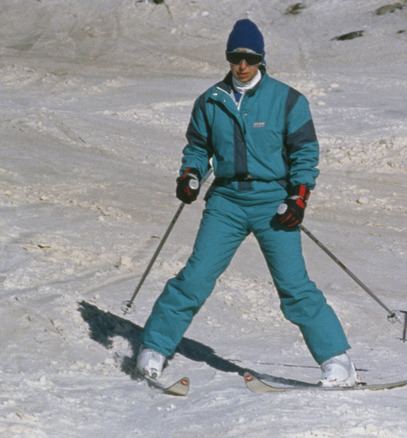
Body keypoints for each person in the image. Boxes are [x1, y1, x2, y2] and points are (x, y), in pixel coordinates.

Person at [135, 19, 358, 387]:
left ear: (261, 59)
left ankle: (338, 360)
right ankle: (154, 348)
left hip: (274, 203)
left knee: (293, 285)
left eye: (250, 58)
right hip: (226, 200)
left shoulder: (287, 100)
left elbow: (305, 153)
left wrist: (299, 197)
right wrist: (190, 174)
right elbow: (197, 148)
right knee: (195, 277)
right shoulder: (210, 101)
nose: (242, 66)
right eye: (235, 57)